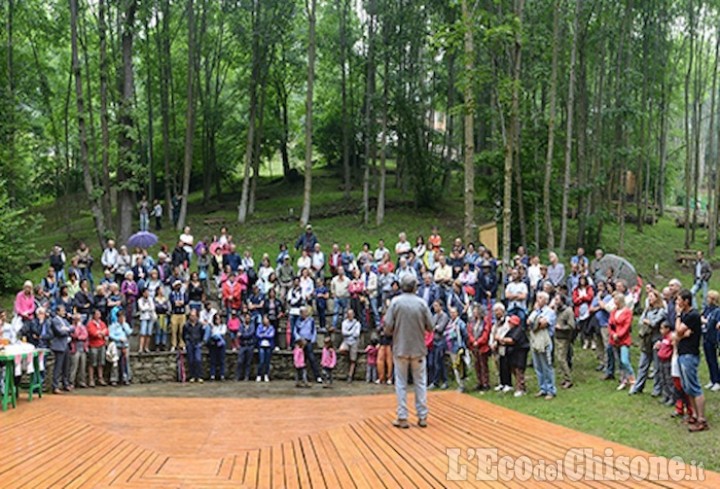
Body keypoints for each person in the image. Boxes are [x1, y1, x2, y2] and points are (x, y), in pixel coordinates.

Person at [383, 274, 433, 429]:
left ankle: (402, 417)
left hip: (400, 347)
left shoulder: (395, 303)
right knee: (420, 382)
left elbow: (387, 326)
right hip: (418, 348)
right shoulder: (422, 303)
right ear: (415, 287)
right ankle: (422, 416)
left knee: (401, 383)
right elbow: (430, 326)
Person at [675, 289, 709, 432]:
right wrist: (681, 335)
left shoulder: (692, 315)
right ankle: (694, 415)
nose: (677, 302)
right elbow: (678, 334)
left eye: (679, 300)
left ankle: (702, 419)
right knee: (687, 387)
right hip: (682, 352)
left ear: (686, 301)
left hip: (690, 354)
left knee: (694, 386)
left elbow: (677, 331)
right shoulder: (685, 314)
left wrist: (677, 317)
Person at [629, 289, 667, 395]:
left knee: (657, 366)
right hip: (646, 340)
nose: (649, 299)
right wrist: (647, 321)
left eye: (652, 296)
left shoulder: (661, 311)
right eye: (648, 297)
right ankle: (638, 386)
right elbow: (641, 321)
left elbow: (654, 323)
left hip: (656, 340)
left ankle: (657, 388)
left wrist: (648, 321)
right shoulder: (647, 310)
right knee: (643, 364)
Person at [527, 291, 557, 399]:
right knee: (538, 366)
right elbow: (528, 322)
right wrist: (537, 320)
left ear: (545, 300)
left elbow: (543, 324)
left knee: (546, 365)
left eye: (540, 298)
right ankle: (543, 388)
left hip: (545, 341)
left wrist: (536, 321)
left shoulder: (550, 312)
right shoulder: (535, 311)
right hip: (535, 340)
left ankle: (551, 390)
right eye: (537, 298)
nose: (537, 300)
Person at [609, 292, 635, 391]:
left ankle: (632, 379)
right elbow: (610, 324)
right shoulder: (613, 311)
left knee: (625, 360)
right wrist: (613, 334)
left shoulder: (627, 312)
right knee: (619, 361)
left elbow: (626, 326)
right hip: (614, 339)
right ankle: (623, 379)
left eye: (615, 300)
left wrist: (619, 335)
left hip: (623, 339)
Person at [47, 305, 74, 394]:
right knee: (58, 367)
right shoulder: (55, 320)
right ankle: (55, 386)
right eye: (62, 310)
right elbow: (60, 332)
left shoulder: (65, 320)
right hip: (59, 346)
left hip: (66, 344)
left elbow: (72, 328)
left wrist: (67, 329)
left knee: (66, 366)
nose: (64, 312)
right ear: (58, 311)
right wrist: (67, 330)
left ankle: (65, 384)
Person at [467, 303, 491, 391]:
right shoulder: (472, 322)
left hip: (482, 347)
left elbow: (486, 333)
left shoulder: (484, 322)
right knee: (476, 365)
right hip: (474, 346)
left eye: (476, 311)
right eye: (474, 312)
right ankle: (479, 382)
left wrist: (479, 341)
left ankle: (485, 383)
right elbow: (469, 332)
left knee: (483, 365)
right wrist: (473, 341)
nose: (475, 313)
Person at [553, 294, 575, 389]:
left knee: (562, 359)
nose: (555, 301)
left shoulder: (568, 311)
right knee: (560, 358)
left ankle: (568, 379)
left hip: (564, 338)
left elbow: (572, 326)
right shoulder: (556, 310)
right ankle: (565, 377)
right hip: (557, 337)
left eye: (557, 299)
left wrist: (561, 327)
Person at [295, 307, 321, 382]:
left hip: (308, 341)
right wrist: (299, 339)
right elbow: (295, 331)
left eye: (305, 312)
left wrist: (312, 340)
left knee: (312, 358)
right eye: (303, 312)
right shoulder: (298, 321)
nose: (304, 314)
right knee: (300, 360)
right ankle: (301, 377)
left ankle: (317, 376)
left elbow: (314, 331)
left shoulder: (311, 320)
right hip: (300, 342)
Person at [445, 307, 468, 392]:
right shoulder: (449, 323)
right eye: (451, 313)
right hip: (451, 347)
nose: (452, 314)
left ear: (457, 313)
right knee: (455, 367)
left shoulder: (460, 323)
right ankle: (459, 383)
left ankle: (462, 385)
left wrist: (463, 345)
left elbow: (465, 334)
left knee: (460, 366)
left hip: (458, 347)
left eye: (454, 312)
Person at [701, 290, 720, 391]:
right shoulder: (707, 309)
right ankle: (712, 379)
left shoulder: (717, 311)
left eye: (708, 297)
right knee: (708, 359)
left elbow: (713, 323)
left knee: (713, 360)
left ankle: (717, 380)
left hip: (712, 338)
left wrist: (704, 321)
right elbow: (701, 316)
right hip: (705, 336)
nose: (707, 299)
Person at [429, 300, 449, 390]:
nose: (434, 307)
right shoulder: (434, 316)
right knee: (435, 362)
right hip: (435, 341)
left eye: (436, 306)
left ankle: (443, 381)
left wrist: (435, 327)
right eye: (434, 306)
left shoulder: (444, 316)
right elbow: (431, 326)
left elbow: (440, 328)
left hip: (441, 341)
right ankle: (436, 381)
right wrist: (434, 327)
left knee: (440, 362)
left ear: (441, 306)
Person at [109, 310, 132, 386]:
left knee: (126, 362)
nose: (122, 318)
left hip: (125, 346)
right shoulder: (113, 326)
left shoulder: (126, 325)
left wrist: (124, 325)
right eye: (120, 317)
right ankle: (114, 379)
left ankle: (126, 378)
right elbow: (111, 335)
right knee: (115, 363)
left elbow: (129, 332)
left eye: (123, 317)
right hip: (117, 346)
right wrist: (119, 339)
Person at [183, 310, 206, 383]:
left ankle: (199, 376)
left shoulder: (200, 325)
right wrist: (187, 341)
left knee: (198, 359)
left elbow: (202, 333)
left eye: (194, 315)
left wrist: (200, 342)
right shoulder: (186, 325)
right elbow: (183, 335)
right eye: (191, 315)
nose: (192, 317)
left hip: (197, 343)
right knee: (191, 360)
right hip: (190, 343)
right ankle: (192, 376)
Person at [87, 309, 108, 387]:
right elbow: (93, 333)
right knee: (92, 363)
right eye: (97, 314)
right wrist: (100, 332)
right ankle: (91, 380)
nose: (99, 315)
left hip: (101, 344)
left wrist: (101, 333)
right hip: (93, 345)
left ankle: (100, 378)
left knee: (101, 363)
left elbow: (106, 331)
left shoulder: (102, 323)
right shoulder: (90, 324)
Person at [655, 322, 675, 406]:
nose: (661, 330)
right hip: (661, 360)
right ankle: (665, 395)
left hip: (668, 360)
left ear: (667, 329)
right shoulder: (663, 338)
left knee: (669, 379)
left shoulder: (671, 337)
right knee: (662, 378)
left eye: (662, 328)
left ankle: (672, 397)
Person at [339, 309, 361, 382]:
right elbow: (344, 332)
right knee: (342, 350)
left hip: (354, 342)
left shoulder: (357, 323)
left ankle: (350, 375)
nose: (350, 315)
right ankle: (346, 362)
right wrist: (351, 332)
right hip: (346, 341)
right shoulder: (344, 323)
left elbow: (356, 334)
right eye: (349, 314)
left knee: (353, 360)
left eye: (351, 314)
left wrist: (348, 333)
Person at [68, 313, 88, 389]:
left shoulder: (83, 327)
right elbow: (75, 335)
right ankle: (71, 382)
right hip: (75, 348)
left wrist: (79, 337)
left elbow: (85, 335)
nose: (78, 320)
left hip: (83, 348)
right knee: (74, 366)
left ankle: (82, 381)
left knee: (82, 366)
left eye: (79, 319)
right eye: (77, 319)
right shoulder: (71, 327)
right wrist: (79, 334)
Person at [236, 313, 257, 381]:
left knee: (248, 362)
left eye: (248, 318)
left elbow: (250, 334)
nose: (247, 319)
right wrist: (242, 335)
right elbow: (238, 334)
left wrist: (242, 335)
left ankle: (246, 376)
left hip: (250, 345)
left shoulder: (252, 326)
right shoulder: (241, 326)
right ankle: (238, 376)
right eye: (246, 318)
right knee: (240, 361)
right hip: (242, 345)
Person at [169, 280, 187, 352]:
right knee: (174, 330)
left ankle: (182, 344)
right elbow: (173, 302)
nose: (179, 287)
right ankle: (174, 345)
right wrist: (178, 303)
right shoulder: (172, 294)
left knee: (182, 330)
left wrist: (181, 303)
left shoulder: (183, 293)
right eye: (177, 285)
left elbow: (185, 301)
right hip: (175, 313)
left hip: (182, 313)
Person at [208, 313, 227, 381]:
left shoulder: (223, 326)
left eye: (219, 319)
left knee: (222, 360)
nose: (217, 321)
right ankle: (212, 375)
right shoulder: (212, 326)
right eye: (216, 319)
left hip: (221, 345)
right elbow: (212, 334)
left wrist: (217, 335)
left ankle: (222, 375)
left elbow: (222, 333)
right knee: (213, 360)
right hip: (214, 344)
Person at [256, 315, 275, 382]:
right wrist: (265, 334)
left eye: (266, 319)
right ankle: (259, 375)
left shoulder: (271, 327)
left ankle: (266, 375)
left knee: (267, 362)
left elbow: (271, 335)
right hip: (261, 346)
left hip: (268, 346)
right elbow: (258, 335)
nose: (265, 320)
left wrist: (263, 334)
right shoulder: (260, 327)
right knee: (261, 361)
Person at [137, 288, 155, 354]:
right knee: (143, 333)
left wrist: (147, 307)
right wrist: (148, 307)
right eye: (146, 292)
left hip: (150, 317)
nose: (147, 293)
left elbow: (153, 307)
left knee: (149, 333)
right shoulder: (140, 300)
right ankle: (141, 348)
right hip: (144, 317)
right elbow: (142, 308)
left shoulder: (150, 299)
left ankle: (146, 347)